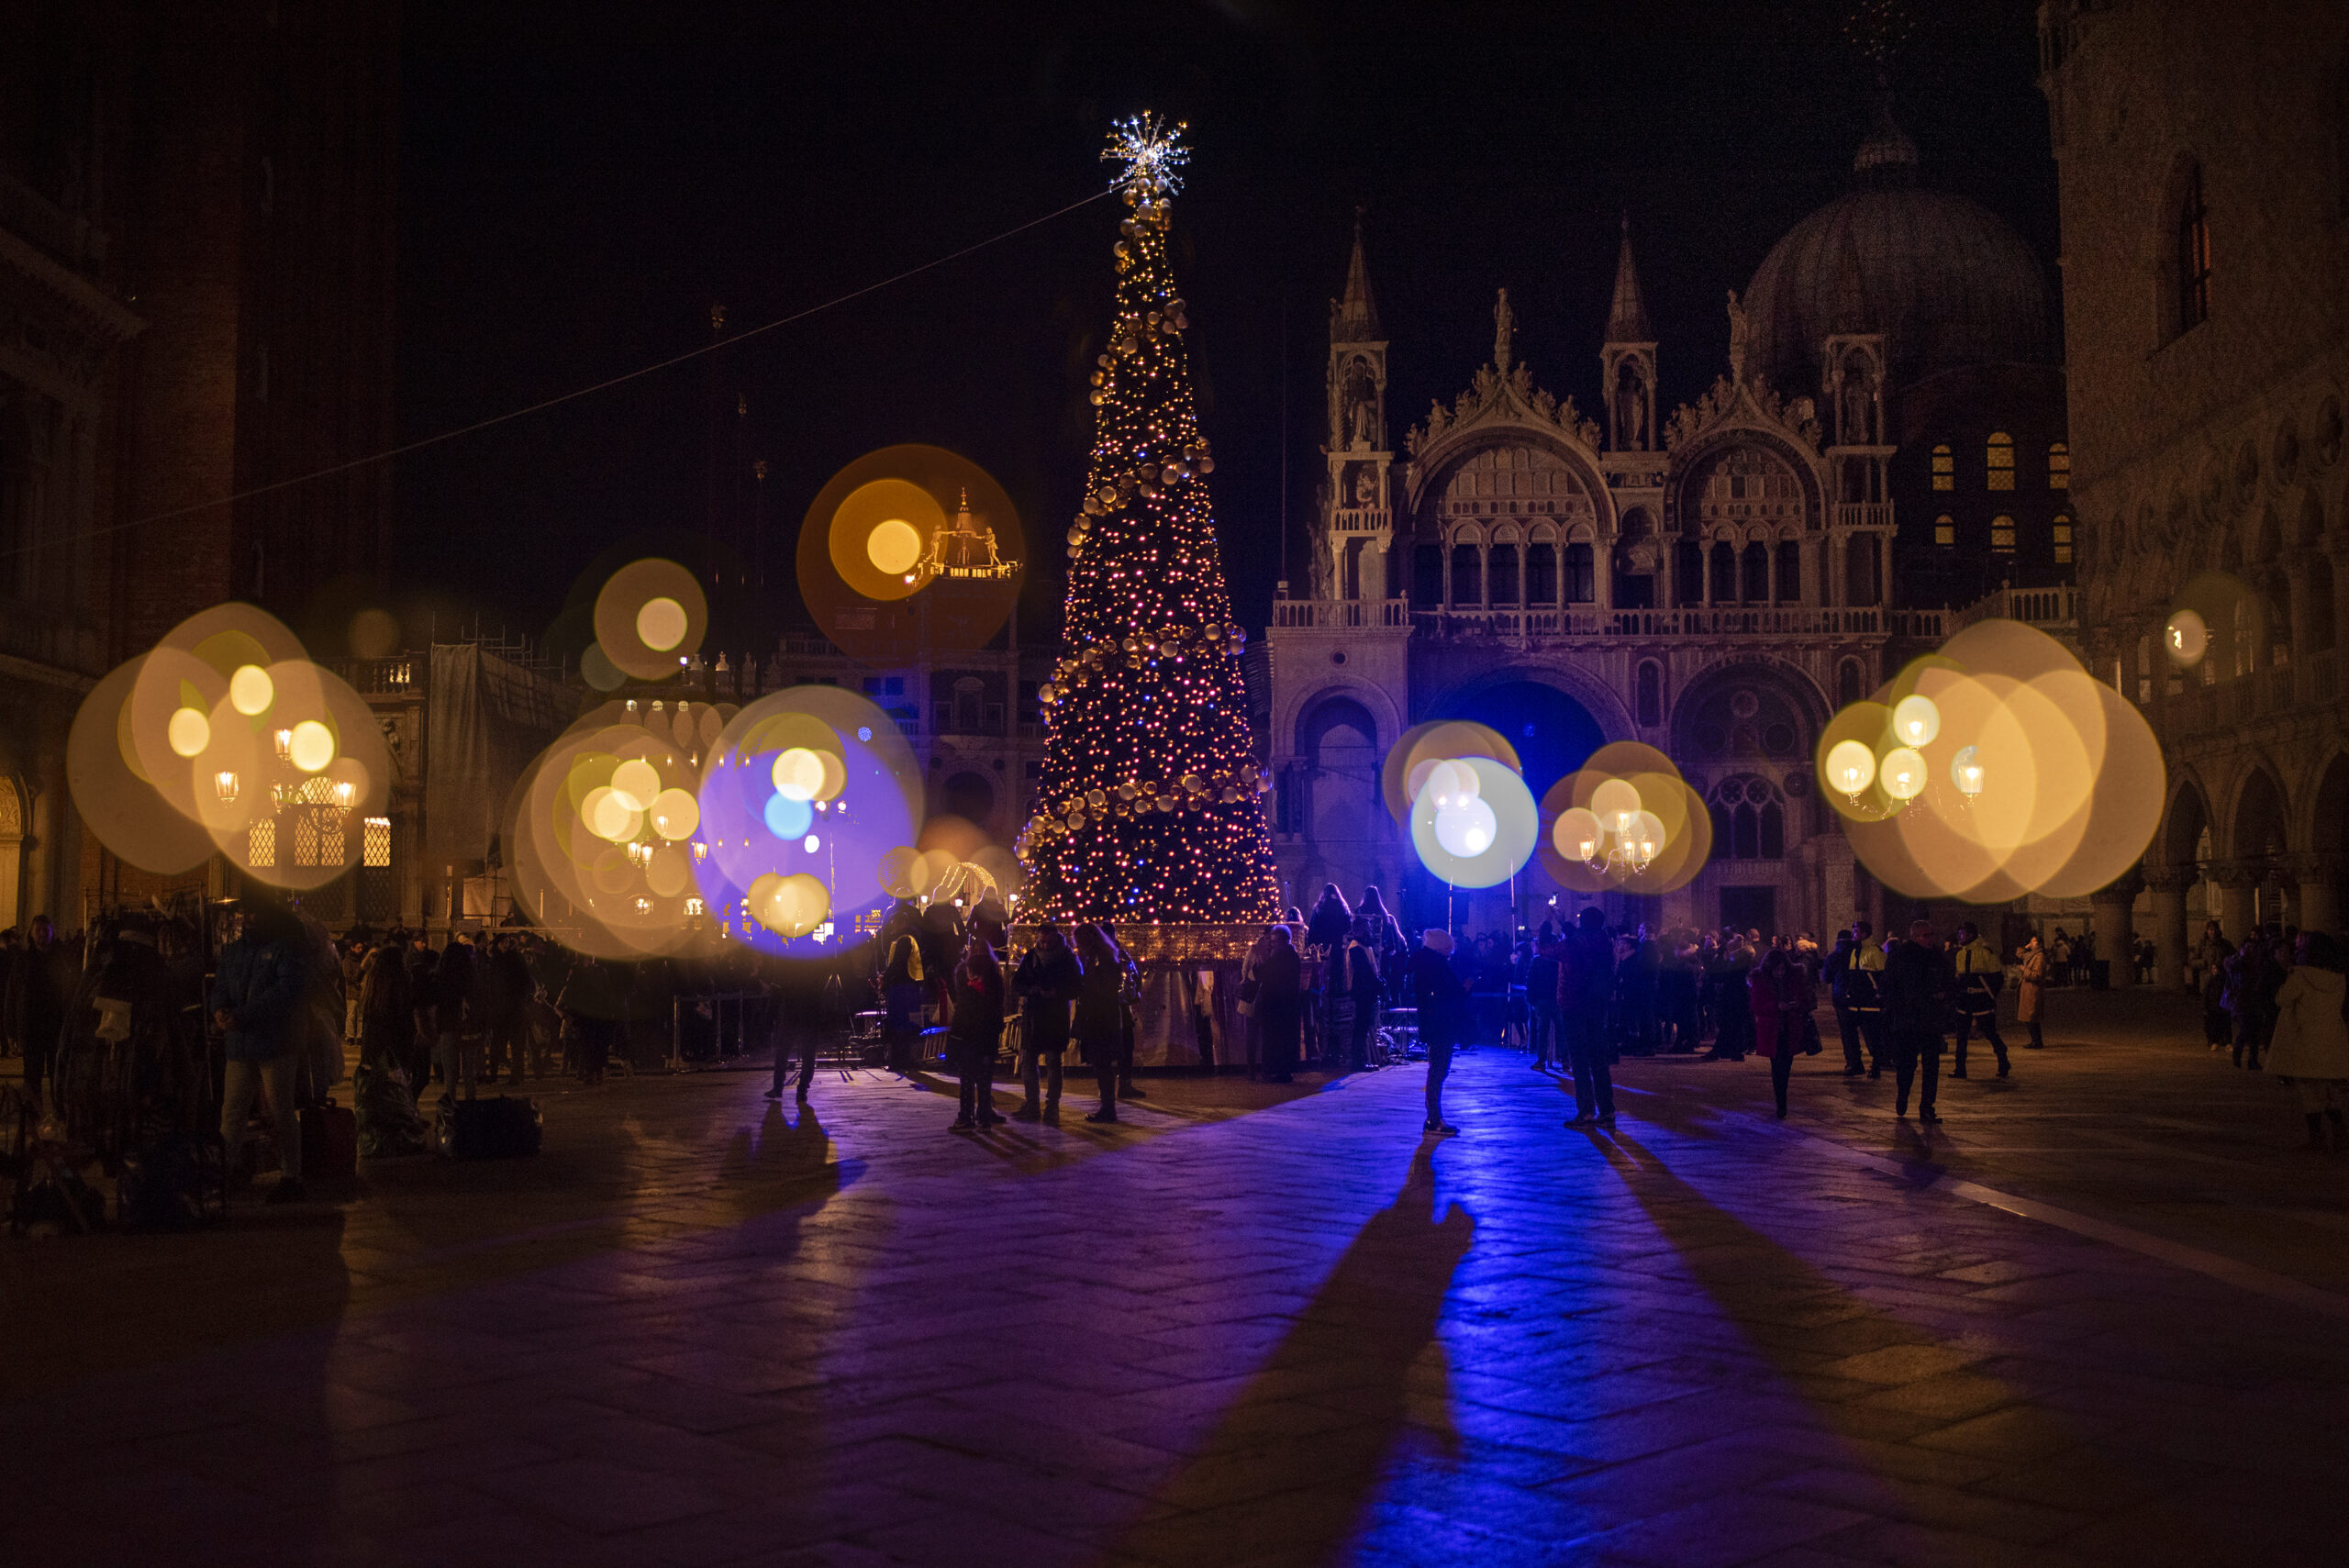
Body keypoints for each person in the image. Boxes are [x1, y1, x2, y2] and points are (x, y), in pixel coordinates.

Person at [211, 899, 313, 1201]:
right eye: (247, 914)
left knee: (281, 1112)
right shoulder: (236, 949)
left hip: (275, 1044)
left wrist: (239, 1016)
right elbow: (220, 985)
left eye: (255, 913)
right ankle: (226, 1172)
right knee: (232, 1113)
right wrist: (219, 1010)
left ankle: (291, 1176)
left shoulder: (287, 948)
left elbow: (285, 994)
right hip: (241, 1044)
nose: (250, 918)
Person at [2266, 930, 2349, 1151]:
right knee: (2330, 1089)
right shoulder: (2339, 979)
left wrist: (2289, 974)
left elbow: (2281, 999)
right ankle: (2340, 1131)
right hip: (2333, 1039)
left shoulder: (2300, 977)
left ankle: (2316, 1137)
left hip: (2306, 1040)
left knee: (2310, 1091)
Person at [1881, 918, 1954, 1123]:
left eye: (1932, 935)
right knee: (1906, 1064)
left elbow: (1949, 982)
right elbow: (1889, 985)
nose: (1930, 939)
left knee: (1931, 1065)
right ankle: (1903, 1094)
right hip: (1908, 1020)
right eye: (1926, 935)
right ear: (1914, 936)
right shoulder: (1901, 956)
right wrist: (1897, 1008)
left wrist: (1944, 996)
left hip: (1931, 1019)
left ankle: (1927, 1106)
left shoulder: (1937, 957)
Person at [1011, 924, 1081, 1120]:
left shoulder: (1067, 958)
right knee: (1029, 1060)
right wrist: (1031, 989)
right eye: (1042, 941)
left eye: (1049, 941)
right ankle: (1032, 1104)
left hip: (1055, 1014)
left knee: (1053, 1060)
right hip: (1034, 1014)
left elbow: (1077, 986)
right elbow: (1016, 983)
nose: (1045, 945)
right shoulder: (1031, 957)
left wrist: (1056, 993)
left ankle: (1052, 1106)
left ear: (1057, 938)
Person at [1558, 906, 1618, 1128]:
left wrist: (1557, 922)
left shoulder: (1587, 943)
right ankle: (1607, 1110)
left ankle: (1586, 1111)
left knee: (1581, 1060)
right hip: (1597, 1005)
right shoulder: (1605, 940)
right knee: (1598, 1060)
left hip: (1579, 1005)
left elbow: (1555, 948)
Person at [945, 934, 1007, 1132]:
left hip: (969, 1030)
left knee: (968, 1075)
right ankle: (984, 1112)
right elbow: (997, 1002)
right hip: (985, 1030)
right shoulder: (993, 973)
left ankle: (967, 1115)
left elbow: (963, 1001)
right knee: (984, 1074)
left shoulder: (964, 971)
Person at [1408, 929, 1468, 1134]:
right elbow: (1448, 993)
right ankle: (1433, 1118)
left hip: (1433, 1023)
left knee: (1437, 1070)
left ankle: (1433, 1116)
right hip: (1441, 1024)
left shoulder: (1424, 965)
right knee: (1438, 1071)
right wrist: (1463, 989)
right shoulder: (1437, 967)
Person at [1074, 925, 1128, 1123]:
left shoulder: (1100, 961)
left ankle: (1108, 1108)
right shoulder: (1102, 958)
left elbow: (1102, 988)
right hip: (1102, 1017)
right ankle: (1107, 1107)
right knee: (1102, 1064)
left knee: (1102, 1064)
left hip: (1101, 1018)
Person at [1748, 946, 1809, 1118]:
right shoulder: (1760, 980)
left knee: (1786, 1067)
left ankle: (1782, 1099)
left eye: (1783, 969)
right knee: (1777, 1067)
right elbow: (1756, 1006)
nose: (1780, 972)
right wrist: (1776, 1006)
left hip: (1790, 1028)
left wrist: (1796, 1004)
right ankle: (1781, 1102)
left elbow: (1805, 999)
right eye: (1777, 969)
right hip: (1772, 1030)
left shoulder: (1793, 978)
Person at [1950, 921, 2011, 1080]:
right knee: (1961, 1035)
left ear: (1970, 935)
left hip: (1981, 999)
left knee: (1990, 1032)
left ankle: (2003, 1060)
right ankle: (1960, 1068)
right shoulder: (1960, 954)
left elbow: (1997, 978)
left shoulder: (1986, 952)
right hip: (1964, 999)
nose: (1959, 937)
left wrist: (1990, 997)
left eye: (1962, 934)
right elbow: (1959, 977)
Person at [879, 921, 929, 1082]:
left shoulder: (903, 940)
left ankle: (898, 1060)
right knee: (908, 1025)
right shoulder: (912, 938)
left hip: (901, 988)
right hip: (911, 986)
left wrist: (885, 977)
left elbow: (897, 963)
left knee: (897, 1024)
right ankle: (907, 1059)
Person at [1253, 926, 1304, 1084]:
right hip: (1283, 1004)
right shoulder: (1288, 955)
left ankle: (1279, 1070)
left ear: (1283, 940)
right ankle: (1281, 1070)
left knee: (1277, 1038)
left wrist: (1261, 962)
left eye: (1275, 941)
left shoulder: (1283, 957)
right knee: (1281, 1038)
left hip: (1279, 1004)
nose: (1272, 944)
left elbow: (1265, 975)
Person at [1821, 929, 1866, 1077]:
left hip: (1841, 998)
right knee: (1868, 1031)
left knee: (1848, 1033)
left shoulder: (1834, 956)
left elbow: (1826, 978)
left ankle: (1854, 1063)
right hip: (1861, 996)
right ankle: (1878, 1061)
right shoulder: (1861, 952)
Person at [1342, 918, 1383, 1071]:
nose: (1369, 930)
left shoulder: (1365, 946)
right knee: (1360, 1027)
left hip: (1366, 992)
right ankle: (1358, 1061)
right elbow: (1364, 972)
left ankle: (1360, 1060)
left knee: (1363, 1026)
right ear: (1358, 929)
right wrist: (1377, 984)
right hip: (1361, 992)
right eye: (1366, 927)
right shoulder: (1356, 947)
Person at [1526, 930, 1562, 1073]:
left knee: (1543, 1031)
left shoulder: (1537, 960)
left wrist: (1531, 999)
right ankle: (1564, 1059)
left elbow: (1530, 981)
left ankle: (1541, 1061)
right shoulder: (1559, 961)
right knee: (1561, 1031)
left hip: (1541, 999)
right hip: (1558, 999)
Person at [2015, 933, 2049, 1051]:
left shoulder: (2039, 957)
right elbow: (2019, 954)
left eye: (2034, 941)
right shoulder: (2031, 955)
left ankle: (2037, 1041)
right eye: (2031, 941)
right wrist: (2026, 946)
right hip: (2027, 989)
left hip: (2033, 989)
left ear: (2040, 944)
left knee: (2031, 1017)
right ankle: (2035, 1040)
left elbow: (2037, 975)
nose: (2032, 943)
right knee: (2028, 1017)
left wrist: (2024, 970)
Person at [1305, 884, 1353, 954]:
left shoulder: (1319, 907)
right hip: (1337, 942)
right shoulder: (1342, 906)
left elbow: (1313, 927)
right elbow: (1348, 926)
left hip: (1321, 943)